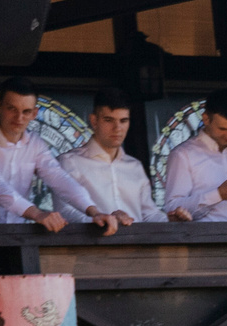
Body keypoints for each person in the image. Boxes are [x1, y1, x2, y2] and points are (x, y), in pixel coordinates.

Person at [0, 79, 116, 234]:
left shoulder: (35, 144)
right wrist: (37, 214)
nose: (19, 117)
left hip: (21, 235)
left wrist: (93, 211)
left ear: (34, 113)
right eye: (12, 109)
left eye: (26, 111)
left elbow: (59, 178)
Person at [58, 89, 155, 226]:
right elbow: (64, 212)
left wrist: (171, 221)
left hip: (136, 245)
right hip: (91, 245)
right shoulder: (70, 162)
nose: (118, 128)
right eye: (109, 120)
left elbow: (149, 214)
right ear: (94, 121)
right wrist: (99, 219)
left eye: (123, 121)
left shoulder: (135, 166)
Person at [163, 93, 227, 223]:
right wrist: (218, 195)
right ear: (206, 119)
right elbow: (172, 208)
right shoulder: (183, 155)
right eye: (222, 129)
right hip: (206, 240)